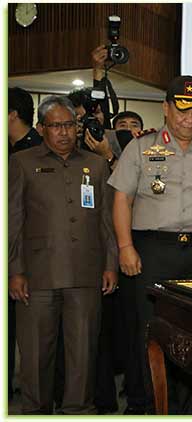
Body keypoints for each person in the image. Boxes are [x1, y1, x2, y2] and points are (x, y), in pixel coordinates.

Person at [108, 75, 192, 414]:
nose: (189, 120)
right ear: (166, 108)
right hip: (152, 251)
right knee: (146, 329)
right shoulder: (140, 147)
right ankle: (143, 403)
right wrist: (125, 247)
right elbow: (121, 198)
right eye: (182, 111)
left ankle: (186, 403)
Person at [8, 95, 118, 414]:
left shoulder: (96, 164)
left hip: (86, 276)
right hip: (37, 277)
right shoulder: (21, 162)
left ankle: (78, 412)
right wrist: (15, 270)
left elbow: (107, 220)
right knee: (36, 357)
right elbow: (12, 221)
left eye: (69, 124)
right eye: (55, 126)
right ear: (42, 128)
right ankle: (36, 413)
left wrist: (110, 264)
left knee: (83, 355)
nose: (64, 132)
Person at [8, 86, 43, 402]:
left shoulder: (34, 151)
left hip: (31, 256)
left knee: (29, 332)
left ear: (12, 114)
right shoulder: (12, 149)